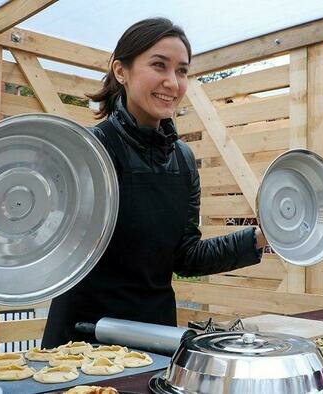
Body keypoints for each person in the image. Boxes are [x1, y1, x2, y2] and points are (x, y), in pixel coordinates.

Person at [42, 18, 266, 347]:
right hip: (84, 339)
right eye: (159, 65)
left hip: (156, 340)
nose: (172, 82)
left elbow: (187, 257)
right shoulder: (89, 151)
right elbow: (53, 246)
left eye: (182, 71)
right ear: (122, 71)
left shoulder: (184, 160)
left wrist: (260, 238)